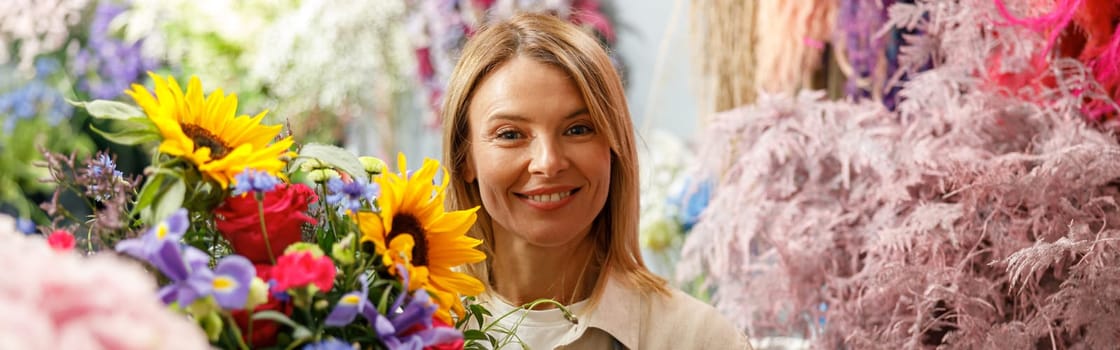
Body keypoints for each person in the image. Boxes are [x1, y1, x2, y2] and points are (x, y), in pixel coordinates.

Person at [441, 12, 751, 350]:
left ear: (614, 147)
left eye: (578, 129)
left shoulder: (700, 339)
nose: (548, 162)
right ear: (465, 158)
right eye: (510, 134)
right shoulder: (409, 325)